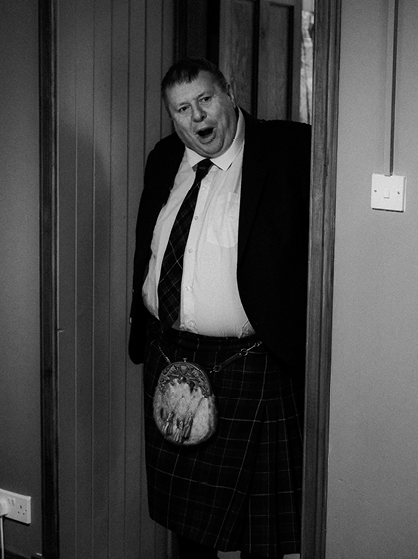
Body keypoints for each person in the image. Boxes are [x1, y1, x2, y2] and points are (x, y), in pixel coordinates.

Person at [128, 58, 311, 559]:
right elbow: (151, 243)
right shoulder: (164, 158)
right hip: (172, 357)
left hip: (254, 363)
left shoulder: (290, 149)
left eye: (205, 100)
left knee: (263, 533)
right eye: (182, 109)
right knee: (186, 522)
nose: (198, 118)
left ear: (230, 91)